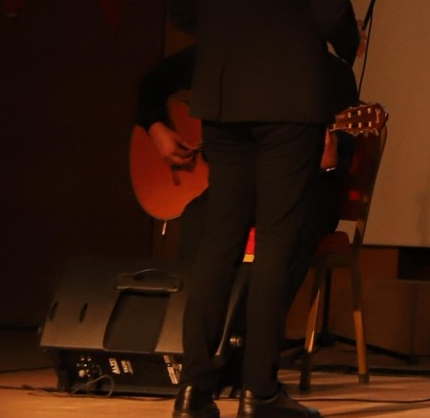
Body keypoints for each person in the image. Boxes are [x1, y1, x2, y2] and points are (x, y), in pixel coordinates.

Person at [166, 0, 360, 418]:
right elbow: (331, 11)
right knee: (276, 239)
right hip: (288, 101)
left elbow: (183, 10)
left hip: (224, 98)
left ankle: (194, 392)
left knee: (220, 239)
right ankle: (258, 392)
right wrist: (349, 43)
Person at [135, 43, 359, 307]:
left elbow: (339, 162)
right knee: (199, 216)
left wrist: (327, 163)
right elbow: (152, 84)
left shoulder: (331, 73)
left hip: (303, 189)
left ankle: (255, 321)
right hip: (240, 184)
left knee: (294, 219)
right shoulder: (228, 52)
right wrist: (156, 128)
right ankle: (189, 316)